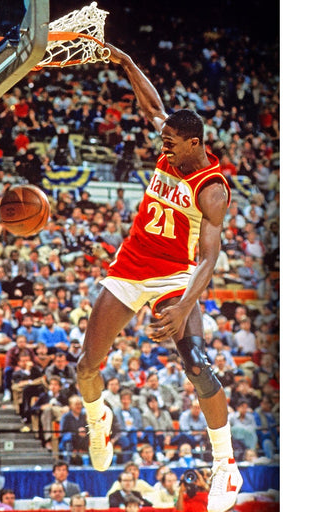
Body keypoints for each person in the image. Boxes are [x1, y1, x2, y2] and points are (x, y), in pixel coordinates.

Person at [76, 43, 242, 512]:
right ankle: (98, 419)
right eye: (163, 138)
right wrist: (128, 61)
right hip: (130, 268)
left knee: (196, 361)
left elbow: (208, 260)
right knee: (86, 367)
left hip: (176, 277)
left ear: (195, 143)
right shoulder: (172, 149)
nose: (162, 145)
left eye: (170, 141)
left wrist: (184, 305)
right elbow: (151, 106)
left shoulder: (211, 189)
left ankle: (225, 465)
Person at [31, 376, 70, 450]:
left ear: (60, 387)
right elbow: (32, 409)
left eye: (55, 385)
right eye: (51, 384)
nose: (53, 387)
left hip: (59, 415)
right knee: (48, 409)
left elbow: (68, 407)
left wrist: (67, 407)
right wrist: (41, 407)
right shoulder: (44, 396)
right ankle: (48, 440)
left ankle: (65, 437)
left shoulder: (63, 397)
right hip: (47, 417)